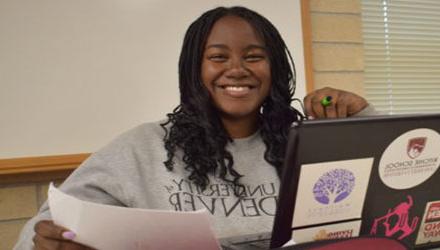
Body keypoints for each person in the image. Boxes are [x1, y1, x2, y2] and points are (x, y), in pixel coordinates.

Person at [14, 6, 376, 249]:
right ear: (194, 71)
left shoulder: (310, 141)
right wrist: (48, 241)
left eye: (254, 56)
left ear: (275, 69)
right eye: (218, 57)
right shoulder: (143, 148)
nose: (237, 69)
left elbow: (393, 192)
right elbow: (39, 230)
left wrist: (361, 117)